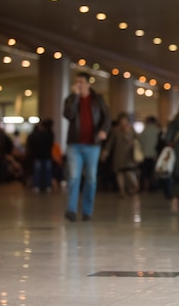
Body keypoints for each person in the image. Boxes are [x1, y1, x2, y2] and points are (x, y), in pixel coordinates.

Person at [63, 72, 111, 222]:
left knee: (91, 178)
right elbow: (68, 115)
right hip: (74, 144)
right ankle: (71, 209)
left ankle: (87, 211)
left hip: (93, 144)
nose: (79, 85)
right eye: (77, 82)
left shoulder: (98, 99)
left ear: (89, 84)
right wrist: (75, 96)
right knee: (73, 177)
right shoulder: (70, 99)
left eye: (81, 82)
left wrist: (104, 130)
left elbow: (107, 117)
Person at [102, 112, 140, 199]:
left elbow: (138, 140)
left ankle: (133, 188)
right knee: (120, 173)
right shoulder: (115, 131)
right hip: (118, 155)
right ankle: (122, 191)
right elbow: (110, 143)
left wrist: (132, 141)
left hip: (129, 155)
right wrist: (105, 152)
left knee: (129, 173)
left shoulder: (131, 130)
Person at [26, 119, 54, 193]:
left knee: (38, 172)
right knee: (46, 172)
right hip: (45, 156)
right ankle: (46, 186)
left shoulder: (37, 134)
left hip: (38, 156)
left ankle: (37, 186)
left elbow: (32, 144)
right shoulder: (50, 134)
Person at [138, 116, 161, 192]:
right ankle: (153, 187)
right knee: (153, 172)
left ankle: (143, 187)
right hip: (155, 154)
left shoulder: (145, 131)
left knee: (144, 172)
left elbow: (140, 140)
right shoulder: (158, 131)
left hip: (146, 154)